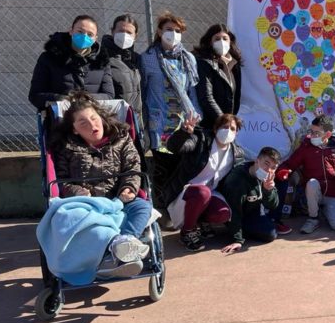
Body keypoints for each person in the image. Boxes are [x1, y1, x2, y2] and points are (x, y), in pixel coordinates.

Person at [49, 92, 151, 278]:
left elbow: (132, 167)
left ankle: (124, 241)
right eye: (83, 123)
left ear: (101, 118)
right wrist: (79, 192)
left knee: (143, 207)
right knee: (72, 218)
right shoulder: (66, 147)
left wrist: (128, 187)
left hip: (119, 198)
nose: (92, 125)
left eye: (94, 119)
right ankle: (116, 254)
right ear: (74, 129)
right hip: (87, 203)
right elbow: (62, 179)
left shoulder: (121, 139)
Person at [140, 12, 202, 213]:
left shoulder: (188, 58)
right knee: (162, 169)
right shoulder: (148, 58)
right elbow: (143, 91)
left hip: (183, 124)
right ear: (159, 31)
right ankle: (162, 209)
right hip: (160, 124)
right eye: (168, 29)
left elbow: (192, 91)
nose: (173, 34)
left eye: (177, 31)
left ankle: (178, 210)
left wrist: (195, 117)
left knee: (181, 167)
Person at [163, 112, 245, 251]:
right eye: (224, 127)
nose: (228, 131)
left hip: (209, 194)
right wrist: (183, 133)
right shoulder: (200, 140)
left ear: (237, 133)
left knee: (223, 213)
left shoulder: (236, 153)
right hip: (185, 193)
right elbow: (174, 147)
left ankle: (200, 222)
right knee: (203, 192)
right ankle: (187, 232)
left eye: (232, 128)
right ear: (215, 129)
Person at [274, 115, 335, 234]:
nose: (312, 136)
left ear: (328, 134)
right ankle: (313, 218)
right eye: (312, 132)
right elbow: (290, 163)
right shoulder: (306, 148)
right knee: (312, 183)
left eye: (317, 133)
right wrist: (281, 172)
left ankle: (325, 210)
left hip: (332, 194)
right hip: (313, 193)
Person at [29, 15, 114, 110]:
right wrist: (63, 99)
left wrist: (85, 100)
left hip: (94, 117)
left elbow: (109, 95)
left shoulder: (102, 61)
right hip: (61, 119)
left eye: (90, 34)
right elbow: (35, 95)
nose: (84, 36)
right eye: (80, 31)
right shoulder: (49, 57)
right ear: (71, 31)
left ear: (95, 38)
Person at [219, 147, 281, 254]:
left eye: (273, 167)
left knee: (271, 233)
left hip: (254, 210)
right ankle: (237, 230)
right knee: (268, 233)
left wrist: (268, 190)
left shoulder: (268, 177)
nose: (269, 170)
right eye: (266, 163)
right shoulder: (238, 180)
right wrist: (237, 240)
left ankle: (246, 229)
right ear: (257, 160)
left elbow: (273, 205)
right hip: (235, 213)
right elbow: (234, 209)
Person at [100, 14, 144, 135]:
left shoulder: (137, 59)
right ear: (112, 32)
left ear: (135, 36)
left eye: (129, 32)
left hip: (136, 124)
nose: (125, 35)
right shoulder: (102, 58)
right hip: (113, 125)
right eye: (120, 31)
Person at [195, 23, 243, 130]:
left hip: (227, 124)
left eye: (225, 38)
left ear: (230, 41)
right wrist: (223, 121)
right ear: (210, 42)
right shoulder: (204, 63)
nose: (221, 42)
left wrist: (230, 121)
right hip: (210, 123)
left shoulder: (235, 64)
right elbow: (206, 97)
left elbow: (236, 96)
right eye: (217, 39)